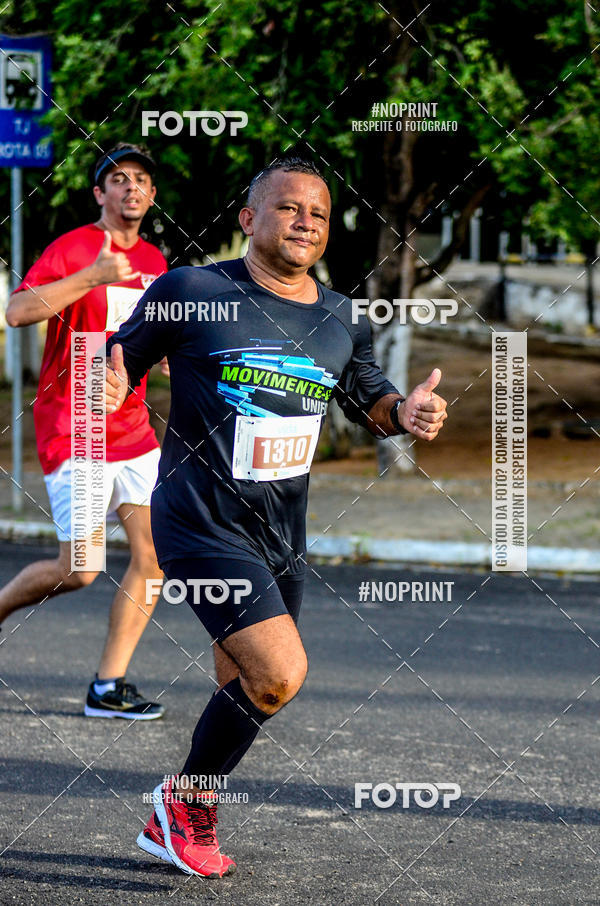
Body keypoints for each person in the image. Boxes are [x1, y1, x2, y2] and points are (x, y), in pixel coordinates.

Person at [104, 155, 448, 877]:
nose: (305, 223)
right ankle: (182, 804)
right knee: (280, 673)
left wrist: (405, 413)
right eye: (289, 208)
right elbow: (119, 362)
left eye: (318, 214)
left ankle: (185, 812)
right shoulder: (192, 290)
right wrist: (105, 388)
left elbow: (371, 397)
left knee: (241, 682)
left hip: (280, 532)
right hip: (197, 520)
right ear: (249, 218)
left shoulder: (339, 317)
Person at [0, 142, 168, 720]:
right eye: (118, 180)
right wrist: (92, 275)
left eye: (141, 181)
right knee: (82, 569)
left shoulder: (155, 261)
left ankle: (107, 687)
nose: (131, 189)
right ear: (100, 193)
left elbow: (149, 342)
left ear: (151, 195)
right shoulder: (73, 247)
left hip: (134, 430)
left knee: (154, 555)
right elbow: (18, 312)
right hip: (78, 429)